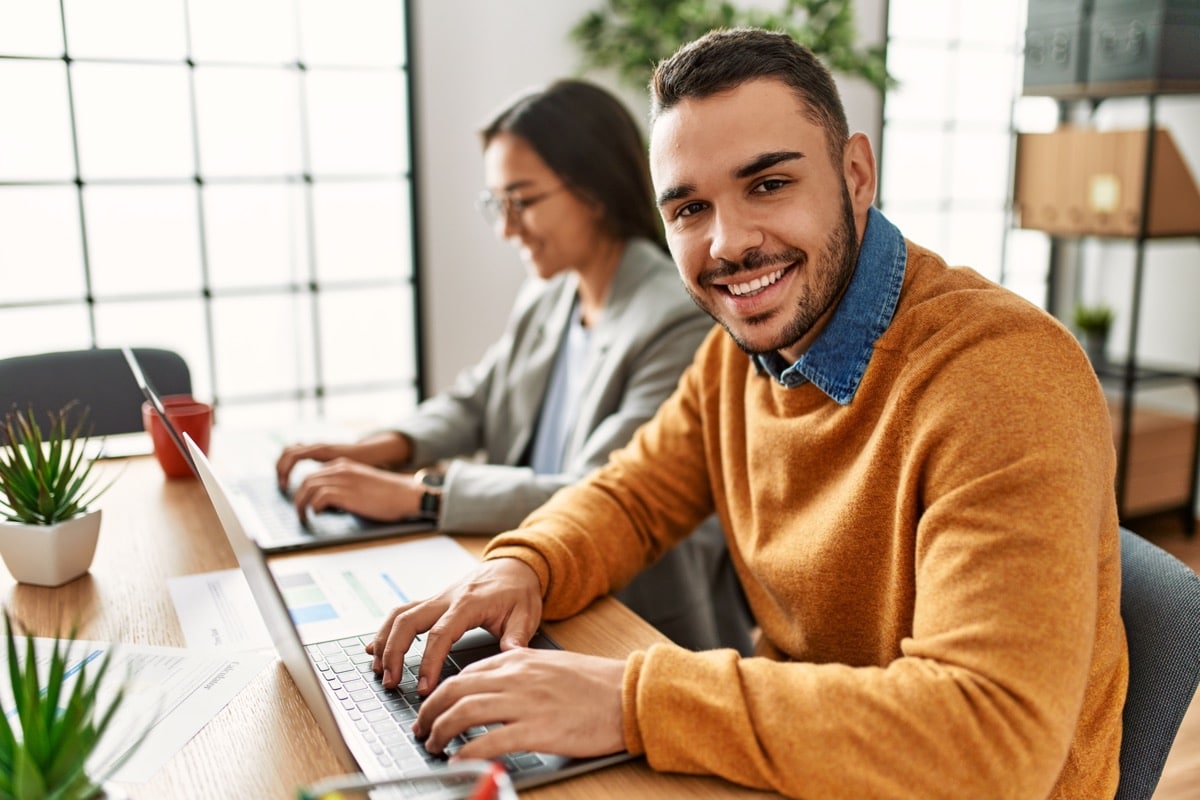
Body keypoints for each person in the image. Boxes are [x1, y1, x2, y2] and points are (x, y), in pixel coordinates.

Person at [363, 28, 1128, 800]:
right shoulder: (741, 355)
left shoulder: (1001, 376)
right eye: (691, 207)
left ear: (855, 173)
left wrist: (633, 701)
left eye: (768, 184)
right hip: (798, 772)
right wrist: (524, 564)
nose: (729, 244)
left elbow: (992, 741)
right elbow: (630, 496)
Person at [275, 79, 753, 655]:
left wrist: (419, 495)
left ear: (594, 189)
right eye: (496, 205)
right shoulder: (552, 293)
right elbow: (476, 401)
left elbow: (596, 494)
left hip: (632, 622)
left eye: (521, 202)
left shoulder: (675, 316)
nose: (506, 228)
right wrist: (377, 449)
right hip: (527, 578)